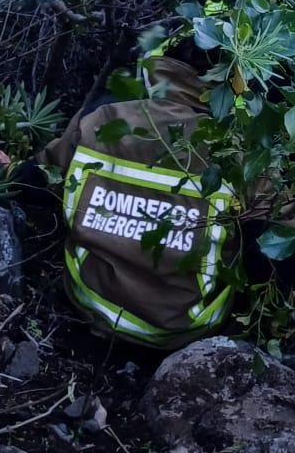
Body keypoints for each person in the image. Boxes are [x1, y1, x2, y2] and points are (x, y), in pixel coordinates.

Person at [44, 53, 237, 349]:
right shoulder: (240, 147)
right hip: (185, 328)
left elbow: (39, 180)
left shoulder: (102, 117)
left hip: (90, 301)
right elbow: (274, 257)